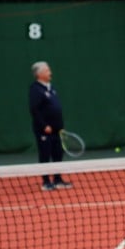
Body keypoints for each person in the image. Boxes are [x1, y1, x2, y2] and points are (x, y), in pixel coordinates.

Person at [28, 61, 73, 192]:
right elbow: (34, 110)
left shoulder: (50, 87)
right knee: (45, 155)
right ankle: (46, 182)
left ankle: (58, 180)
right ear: (39, 74)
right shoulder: (35, 89)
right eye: (47, 70)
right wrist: (44, 126)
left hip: (57, 130)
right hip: (44, 130)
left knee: (58, 154)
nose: (50, 72)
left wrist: (60, 126)